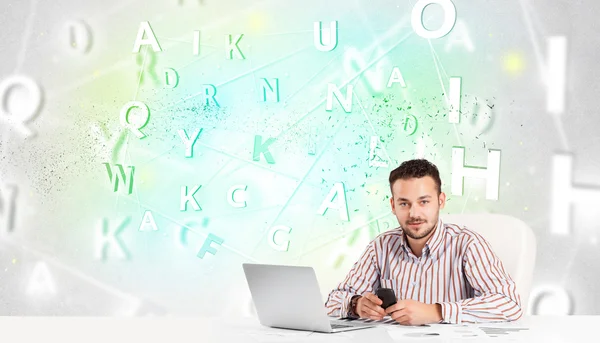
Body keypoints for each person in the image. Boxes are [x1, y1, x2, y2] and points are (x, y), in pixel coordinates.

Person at [324, 159, 522, 325]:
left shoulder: (468, 244)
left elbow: (509, 304)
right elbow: (332, 302)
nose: (414, 213)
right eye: (404, 203)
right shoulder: (381, 247)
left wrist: (437, 312)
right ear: (393, 205)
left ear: (441, 201)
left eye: (424, 202)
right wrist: (356, 305)